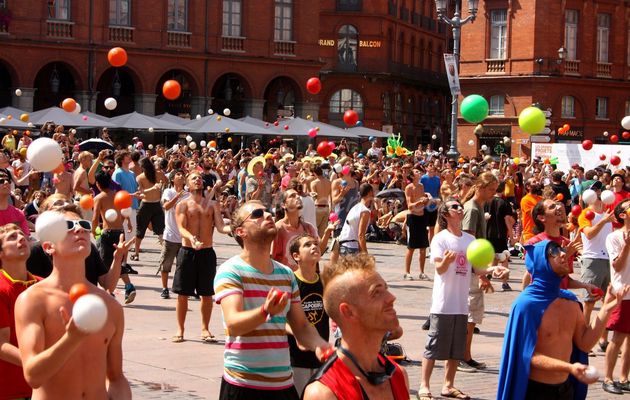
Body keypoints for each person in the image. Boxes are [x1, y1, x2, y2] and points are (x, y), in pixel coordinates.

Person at [214, 200, 331, 400]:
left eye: (267, 211)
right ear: (241, 231)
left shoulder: (285, 274)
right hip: (243, 384)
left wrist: (322, 345)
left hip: (283, 383)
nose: (268, 215)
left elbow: (301, 326)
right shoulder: (231, 271)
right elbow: (233, 324)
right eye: (258, 214)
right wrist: (265, 311)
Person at [14, 207, 131, 399]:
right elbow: (33, 376)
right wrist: (71, 339)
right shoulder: (32, 300)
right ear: (48, 247)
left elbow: (116, 378)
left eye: (84, 225)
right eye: (68, 226)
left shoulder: (110, 307)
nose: (79, 230)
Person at [497, 239, 628, 400]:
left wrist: (606, 309)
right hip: (535, 391)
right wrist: (569, 367)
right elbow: (527, 356)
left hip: (566, 390)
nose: (564, 254)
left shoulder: (571, 302)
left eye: (561, 249)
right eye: (554, 252)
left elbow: (584, 343)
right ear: (540, 261)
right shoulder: (526, 305)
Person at [419, 199, 506, 400]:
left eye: (460, 206)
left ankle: (448, 386)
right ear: (446, 214)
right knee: (433, 346)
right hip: (443, 303)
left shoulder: (468, 240)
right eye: (455, 207)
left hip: (461, 302)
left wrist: (493, 269)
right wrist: (447, 261)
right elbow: (439, 269)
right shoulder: (440, 239)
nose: (460, 209)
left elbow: (476, 269)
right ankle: (424, 386)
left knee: (456, 348)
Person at [303, 252, 409, 400]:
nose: (391, 298)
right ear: (348, 312)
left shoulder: (398, 374)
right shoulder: (324, 392)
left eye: (386, 288)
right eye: (376, 293)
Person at [172, 172, 230, 343]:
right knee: (182, 293)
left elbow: (220, 226)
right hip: (187, 251)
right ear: (187, 185)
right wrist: (191, 237)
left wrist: (233, 229)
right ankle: (180, 330)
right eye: (193, 178)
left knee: (206, 293)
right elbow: (181, 228)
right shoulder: (182, 205)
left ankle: (205, 329)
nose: (198, 180)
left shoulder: (212, 205)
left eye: (199, 178)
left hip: (206, 252)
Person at [460, 172, 498, 372]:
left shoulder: (478, 207)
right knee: (470, 315)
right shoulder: (472, 209)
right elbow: (469, 243)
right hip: (470, 270)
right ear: (481, 187)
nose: (493, 193)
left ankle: (466, 355)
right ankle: (461, 356)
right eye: (491, 189)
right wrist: (481, 274)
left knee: (472, 316)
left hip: (474, 268)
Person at [287, 234, 330, 395]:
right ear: (296, 256)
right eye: (307, 245)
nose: (314, 246)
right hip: (297, 359)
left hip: (321, 356)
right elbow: (281, 318)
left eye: (315, 244)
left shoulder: (324, 281)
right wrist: (298, 333)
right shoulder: (290, 281)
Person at [0, 224, 38, 400]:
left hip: (41, 387)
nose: (21, 238)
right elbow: (1, 344)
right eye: (12, 238)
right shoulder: (1, 289)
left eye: (21, 234)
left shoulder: (42, 285)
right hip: (8, 390)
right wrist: (40, 364)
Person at [578, 180, 615, 352]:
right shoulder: (584, 214)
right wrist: (603, 221)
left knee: (609, 302)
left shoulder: (609, 213)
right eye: (594, 190)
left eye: (599, 189)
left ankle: (602, 340)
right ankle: (583, 341)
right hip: (592, 260)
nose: (598, 192)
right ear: (586, 195)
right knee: (589, 302)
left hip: (609, 260)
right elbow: (590, 235)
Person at [92, 172, 137, 303]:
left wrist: (94, 231)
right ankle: (128, 286)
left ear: (98, 184)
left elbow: (95, 218)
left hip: (107, 233)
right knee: (117, 262)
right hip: (119, 232)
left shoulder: (99, 198)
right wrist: (127, 222)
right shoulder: (117, 195)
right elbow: (125, 211)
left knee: (105, 265)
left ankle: (109, 293)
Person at [602, 198, 630, 394]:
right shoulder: (614, 237)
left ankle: (624, 377)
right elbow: (618, 266)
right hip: (623, 292)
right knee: (618, 337)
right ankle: (608, 378)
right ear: (622, 215)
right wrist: (627, 245)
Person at [158, 169, 188, 299]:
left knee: (183, 266)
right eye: (178, 174)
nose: (181, 176)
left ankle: (181, 288)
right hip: (170, 236)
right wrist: (177, 196)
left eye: (183, 174)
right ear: (172, 179)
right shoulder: (168, 192)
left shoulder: (188, 194)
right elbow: (166, 206)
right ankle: (165, 288)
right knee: (166, 265)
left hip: (184, 237)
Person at [331, 183, 373, 264]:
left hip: (343, 245)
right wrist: (365, 255)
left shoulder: (354, 207)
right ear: (370, 192)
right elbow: (361, 235)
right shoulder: (365, 211)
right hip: (352, 247)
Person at [133, 157, 165, 259]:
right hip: (146, 205)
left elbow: (166, 180)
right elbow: (140, 192)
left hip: (156, 205)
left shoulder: (157, 174)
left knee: (160, 230)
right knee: (140, 230)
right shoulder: (140, 177)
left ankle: (165, 253)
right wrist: (153, 188)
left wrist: (161, 182)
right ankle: (136, 252)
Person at [404, 167, 430, 280]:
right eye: (416, 172)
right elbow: (409, 205)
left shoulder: (421, 186)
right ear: (412, 175)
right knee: (411, 247)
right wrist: (420, 201)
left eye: (419, 171)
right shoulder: (409, 187)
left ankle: (422, 272)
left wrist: (427, 200)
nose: (419, 173)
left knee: (423, 247)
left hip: (421, 216)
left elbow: (424, 203)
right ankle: (407, 272)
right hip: (413, 217)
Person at [420, 164, 440, 244]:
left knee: (432, 227)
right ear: (426, 168)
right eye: (430, 166)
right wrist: (427, 194)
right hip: (425, 205)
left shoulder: (437, 179)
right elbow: (420, 190)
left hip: (434, 206)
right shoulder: (423, 178)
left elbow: (438, 190)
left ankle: (431, 247)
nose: (432, 168)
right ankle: (422, 244)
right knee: (423, 227)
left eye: (433, 166)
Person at [310, 165, 332, 237]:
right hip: (326, 207)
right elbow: (330, 196)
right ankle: (321, 247)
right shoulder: (329, 182)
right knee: (322, 232)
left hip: (317, 207)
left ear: (315, 173)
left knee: (313, 230)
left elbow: (314, 197)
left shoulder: (314, 183)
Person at [520, 178, 543, 243]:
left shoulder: (541, 198)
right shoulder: (525, 199)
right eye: (534, 182)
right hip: (530, 234)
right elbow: (534, 215)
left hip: (541, 234)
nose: (537, 183)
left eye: (537, 181)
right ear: (528, 187)